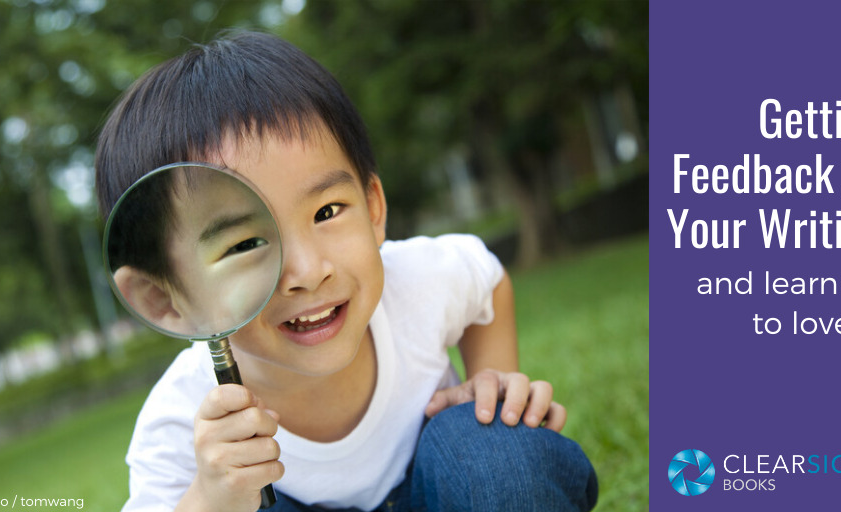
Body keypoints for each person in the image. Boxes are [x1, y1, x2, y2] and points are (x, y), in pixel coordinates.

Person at [96, 30, 597, 512]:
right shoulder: (177, 421)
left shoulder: (418, 282)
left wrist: (493, 376)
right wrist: (210, 499)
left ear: (374, 208)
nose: (309, 272)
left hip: (438, 490)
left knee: (494, 447)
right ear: (165, 300)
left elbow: (486, 279)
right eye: (245, 243)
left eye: (327, 212)